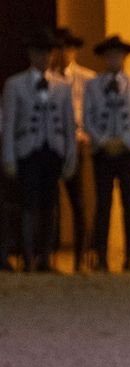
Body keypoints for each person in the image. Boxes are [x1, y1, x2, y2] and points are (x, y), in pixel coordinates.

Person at [2, 30, 77, 272]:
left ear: (52, 55)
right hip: (28, 151)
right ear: (30, 55)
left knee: (50, 206)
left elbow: (69, 125)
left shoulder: (63, 86)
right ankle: (28, 258)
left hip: (52, 150)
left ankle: (45, 257)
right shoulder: (15, 84)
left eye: (47, 52)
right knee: (29, 205)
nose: (43, 57)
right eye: (38, 52)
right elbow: (9, 124)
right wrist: (9, 157)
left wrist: (70, 157)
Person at [82, 35, 130, 272]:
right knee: (103, 204)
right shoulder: (92, 85)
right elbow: (87, 117)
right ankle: (101, 256)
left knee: (129, 204)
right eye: (110, 55)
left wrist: (125, 140)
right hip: (103, 152)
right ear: (104, 58)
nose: (114, 59)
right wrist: (103, 141)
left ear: (124, 57)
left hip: (128, 152)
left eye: (118, 55)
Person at [49, 27, 94, 271]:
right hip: (53, 145)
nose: (65, 52)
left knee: (80, 203)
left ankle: (81, 257)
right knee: (51, 202)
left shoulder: (88, 78)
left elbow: (95, 113)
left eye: (69, 47)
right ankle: (48, 256)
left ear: (74, 51)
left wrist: (87, 135)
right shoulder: (47, 79)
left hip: (78, 145)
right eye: (61, 48)